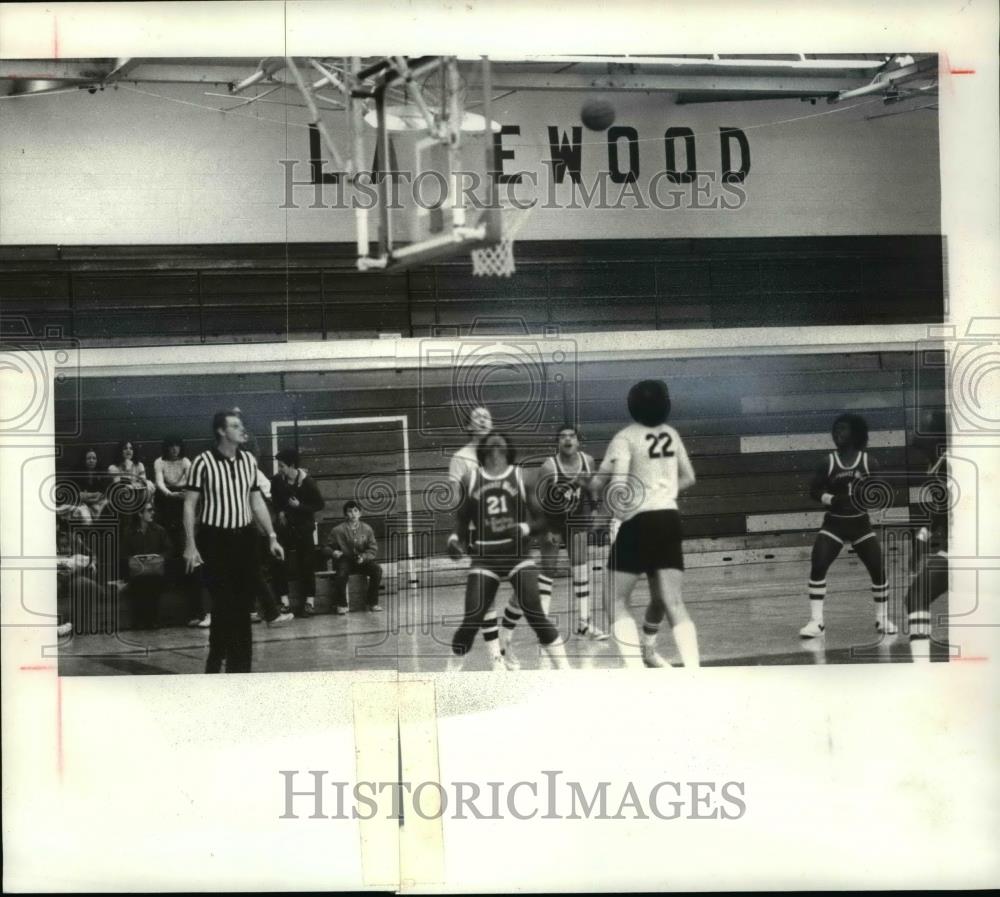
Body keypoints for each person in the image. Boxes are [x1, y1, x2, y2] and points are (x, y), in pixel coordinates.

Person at [590, 379, 700, 669]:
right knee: (673, 601)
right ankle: (694, 672)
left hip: (640, 521)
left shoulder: (626, 437)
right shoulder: (671, 435)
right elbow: (689, 477)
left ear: (632, 405)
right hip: (669, 519)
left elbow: (619, 485)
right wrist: (662, 491)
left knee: (614, 601)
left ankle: (636, 671)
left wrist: (608, 515)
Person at [446, 432, 569, 671]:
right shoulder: (470, 479)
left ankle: (566, 672)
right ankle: (449, 675)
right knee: (471, 620)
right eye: (490, 440)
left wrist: (524, 527)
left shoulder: (521, 477)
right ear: (482, 451)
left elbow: (542, 521)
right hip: (485, 558)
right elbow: (461, 523)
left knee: (535, 613)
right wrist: (454, 540)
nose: (495, 441)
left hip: (518, 556)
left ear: (508, 449)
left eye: (500, 440)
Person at [183, 409, 285, 674]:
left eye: (241, 425)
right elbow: (189, 504)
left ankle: (239, 669)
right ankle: (216, 659)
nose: (242, 429)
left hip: (245, 539)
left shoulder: (249, 460)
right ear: (221, 431)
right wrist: (190, 544)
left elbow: (256, 499)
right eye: (235, 425)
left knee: (240, 607)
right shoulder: (202, 462)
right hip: (215, 540)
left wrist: (271, 535)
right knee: (226, 605)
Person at [799, 413, 896, 639]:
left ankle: (882, 618)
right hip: (834, 525)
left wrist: (868, 496)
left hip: (860, 525)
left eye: (842, 429)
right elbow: (814, 491)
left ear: (855, 433)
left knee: (878, 570)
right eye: (835, 430)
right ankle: (817, 622)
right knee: (818, 564)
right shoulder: (828, 462)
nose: (837, 433)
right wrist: (831, 499)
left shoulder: (869, 462)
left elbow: (881, 493)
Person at [531, 425, 608, 640]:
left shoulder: (588, 461)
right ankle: (543, 629)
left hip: (576, 519)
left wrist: (593, 508)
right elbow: (539, 503)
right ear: (557, 442)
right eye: (562, 436)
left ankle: (585, 624)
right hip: (551, 520)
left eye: (571, 436)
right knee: (548, 570)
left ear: (578, 441)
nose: (567, 440)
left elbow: (592, 487)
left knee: (582, 568)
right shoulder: (549, 467)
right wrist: (548, 529)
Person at [905, 409, 949, 658]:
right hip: (961, 546)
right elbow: (938, 514)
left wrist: (921, 543)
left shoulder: (951, 464)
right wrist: (921, 542)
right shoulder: (940, 465)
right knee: (916, 597)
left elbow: (940, 514)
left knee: (916, 597)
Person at [153, 436, 207, 628]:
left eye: (177, 446)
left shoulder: (186, 462)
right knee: (173, 556)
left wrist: (185, 495)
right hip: (167, 503)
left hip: (185, 503)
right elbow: (159, 483)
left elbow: (194, 483)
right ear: (166, 448)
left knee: (190, 559)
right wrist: (170, 494)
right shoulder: (159, 462)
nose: (174, 449)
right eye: (171, 446)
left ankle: (198, 612)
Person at [271, 448, 325, 617]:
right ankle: (284, 602)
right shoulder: (277, 481)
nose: (279, 469)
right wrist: (280, 511)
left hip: (303, 528)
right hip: (285, 529)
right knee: (278, 560)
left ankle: (309, 602)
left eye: (282, 466)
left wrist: (299, 507)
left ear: (292, 465)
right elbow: (275, 500)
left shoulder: (308, 482)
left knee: (307, 564)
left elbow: (319, 505)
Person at [121, 501, 173, 629]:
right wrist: (135, 561)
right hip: (137, 571)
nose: (152, 513)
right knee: (140, 581)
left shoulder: (160, 530)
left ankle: (151, 620)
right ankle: (141, 620)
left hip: (156, 571)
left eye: (153, 510)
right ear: (139, 513)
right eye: (149, 510)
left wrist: (157, 559)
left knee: (152, 580)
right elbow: (124, 554)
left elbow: (169, 550)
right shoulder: (129, 531)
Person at [324, 502, 383, 614]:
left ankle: (372, 602)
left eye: (356, 511)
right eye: (350, 511)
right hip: (345, 560)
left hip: (361, 560)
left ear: (360, 513)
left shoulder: (367, 529)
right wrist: (333, 552)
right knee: (341, 575)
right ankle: (342, 604)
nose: (353, 514)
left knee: (377, 570)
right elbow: (326, 547)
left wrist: (364, 557)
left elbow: (373, 549)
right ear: (346, 515)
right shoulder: (338, 530)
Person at [68, 448, 108, 523]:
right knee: (86, 519)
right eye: (88, 458)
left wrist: (88, 496)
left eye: (94, 458)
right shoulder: (77, 473)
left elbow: (101, 494)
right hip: (81, 504)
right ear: (84, 460)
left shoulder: (101, 472)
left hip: (96, 503)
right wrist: (93, 495)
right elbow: (78, 495)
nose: (91, 460)